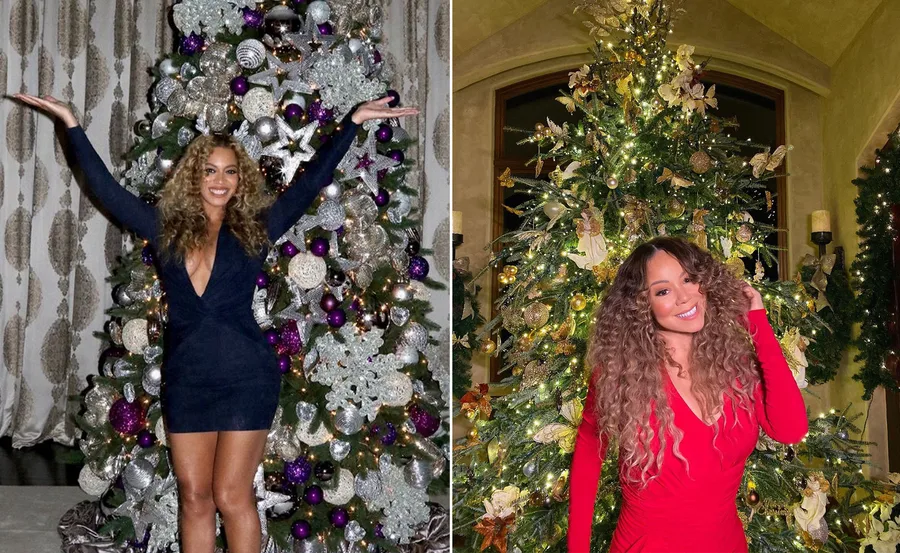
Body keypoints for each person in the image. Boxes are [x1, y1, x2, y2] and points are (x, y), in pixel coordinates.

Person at [11, 92, 417, 553]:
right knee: (195, 497)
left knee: (231, 494)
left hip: (247, 376)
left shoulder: (257, 228)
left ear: (240, 179)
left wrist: (353, 121)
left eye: (229, 171)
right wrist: (70, 122)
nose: (220, 181)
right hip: (188, 379)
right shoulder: (163, 227)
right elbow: (105, 189)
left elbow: (310, 183)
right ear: (194, 176)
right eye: (210, 170)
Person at [567, 236, 808, 552]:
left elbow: (790, 429)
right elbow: (588, 452)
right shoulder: (618, 374)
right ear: (642, 305)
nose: (684, 297)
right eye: (663, 291)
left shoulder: (736, 367)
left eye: (689, 279)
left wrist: (758, 325)